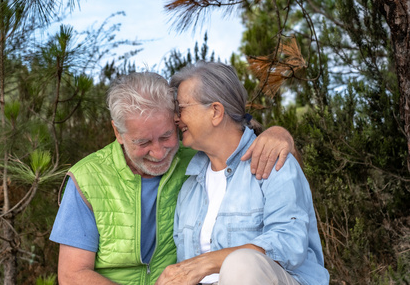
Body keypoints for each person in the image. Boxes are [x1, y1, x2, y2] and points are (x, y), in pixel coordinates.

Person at [50, 71, 296, 285]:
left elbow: (234, 136)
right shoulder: (87, 178)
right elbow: (73, 275)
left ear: (176, 121)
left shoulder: (197, 160)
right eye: (143, 142)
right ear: (118, 132)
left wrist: (279, 134)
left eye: (167, 136)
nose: (158, 153)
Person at [156, 62, 329, 285]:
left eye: (182, 109)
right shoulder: (190, 185)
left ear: (216, 112)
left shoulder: (272, 161)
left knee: (242, 264)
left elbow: (289, 243)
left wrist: (208, 262)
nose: (176, 118)